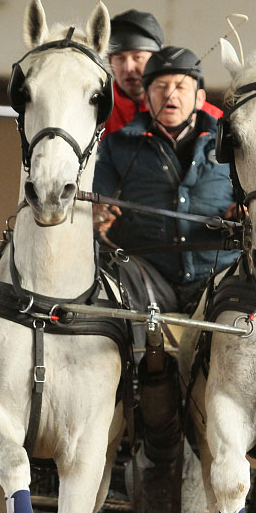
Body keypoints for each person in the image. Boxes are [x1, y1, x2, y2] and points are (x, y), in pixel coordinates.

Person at [93, 45, 239, 313]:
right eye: (160, 86)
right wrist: (96, 215)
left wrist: (244, 211)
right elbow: (94, 208)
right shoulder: (115, 147)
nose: (170, 93)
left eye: (181, 86)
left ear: (199, 98)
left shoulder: (234, 147)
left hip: (221, 277)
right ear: (147, 99)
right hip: (142, 277)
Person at [104, 10, 222, 136]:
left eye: (138, 58)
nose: (128, 68)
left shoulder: (211, 120)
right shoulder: (98, 113)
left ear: (156, 59)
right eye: (119, 58)